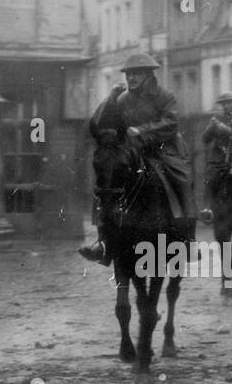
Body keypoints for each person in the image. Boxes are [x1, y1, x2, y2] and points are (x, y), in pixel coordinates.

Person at [79, 53, 195, 265]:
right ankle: (103, 242)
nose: (131, 78)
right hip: (128, 150)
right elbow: (98, 123)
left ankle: (187, 237)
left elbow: (170, 123)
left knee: (183, 178)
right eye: (129, 74)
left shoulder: (164, 96)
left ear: (148, 74)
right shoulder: (122, 99)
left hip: (160, 149)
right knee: (107, 182)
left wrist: (142, 130)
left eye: (137, 73)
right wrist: (110, 99)